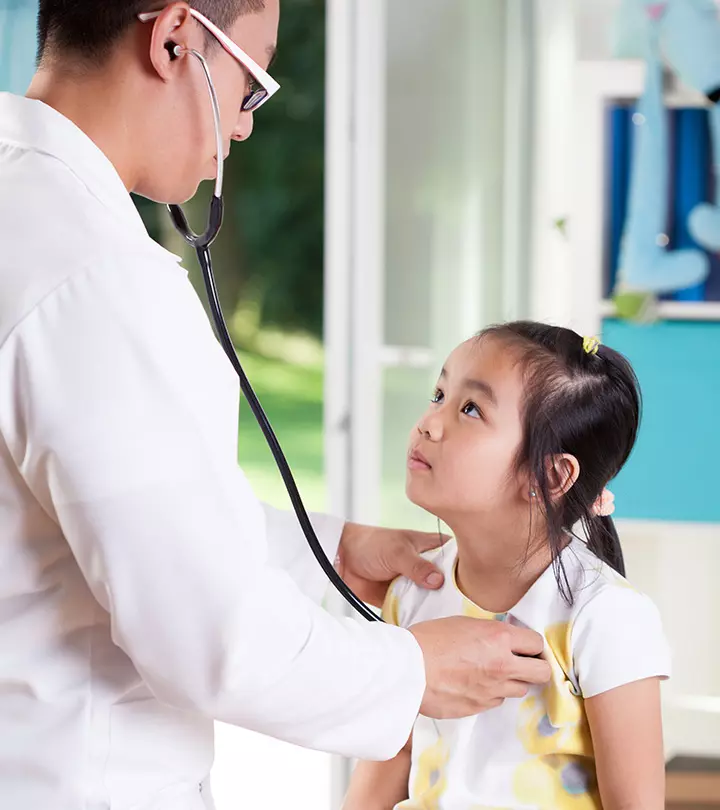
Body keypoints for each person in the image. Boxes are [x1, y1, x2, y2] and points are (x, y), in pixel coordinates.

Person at [0, 3, 553, 809]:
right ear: (174, 38)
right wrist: (414, 670)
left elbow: (92, 508)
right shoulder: (98, 279)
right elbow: (205, 634)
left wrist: (330, 550)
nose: (248, 127)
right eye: (252, 84)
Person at [343, 322, 672, 810]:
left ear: (552, 474)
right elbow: (382, 769)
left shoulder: (606, 617)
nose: (429, 423)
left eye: (470, 409)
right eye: (438, 394)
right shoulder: (412, 592)